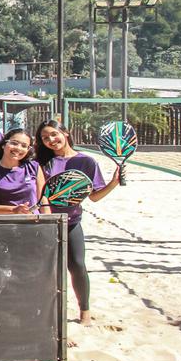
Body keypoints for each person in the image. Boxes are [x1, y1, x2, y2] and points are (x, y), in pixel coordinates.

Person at [36, 119, 119, 326]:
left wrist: (114, 182)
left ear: (65, 133)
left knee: (78, 265)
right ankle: (47, 312)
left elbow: (94, 196)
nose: (50, 140)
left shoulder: (86, 162)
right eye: (45, 138)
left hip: (71, 221)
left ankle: (85, 311)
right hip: (44, 223)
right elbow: (39, 194)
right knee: (46, 270)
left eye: (54, 134)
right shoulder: (41, 162)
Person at [0, 129, 47, 215]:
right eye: (14, 143)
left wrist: (50, 222)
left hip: (34, 225)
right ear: (3, 145)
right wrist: (13, 210)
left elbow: (43, 200)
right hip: (2, 225)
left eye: (24, 146)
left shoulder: (34, 167)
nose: (18, 148)